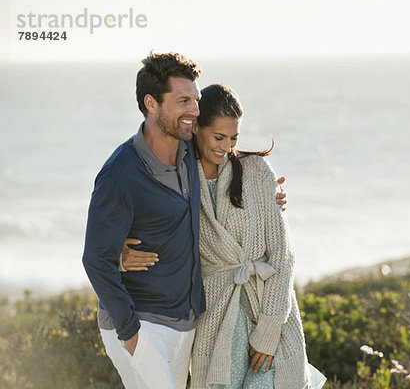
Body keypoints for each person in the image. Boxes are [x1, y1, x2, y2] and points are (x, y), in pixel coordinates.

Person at [83, 53, 286, 389]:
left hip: (187, 326)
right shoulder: (121, 173)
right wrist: (131, 334)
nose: (194, 109)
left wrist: (269, 195)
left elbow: (223, 151)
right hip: (143, 324)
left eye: (195, 100)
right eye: (183, 101)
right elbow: (94, 258)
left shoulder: (189, 152)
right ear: (151, 103)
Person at [122, 84, 325, 389]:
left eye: (234, 138)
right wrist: (119, 251)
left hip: (268, 312)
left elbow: (283, 256)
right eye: (219, 137)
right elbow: (158, 237)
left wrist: (269, 330)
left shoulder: (256, 172)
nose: (226, 147)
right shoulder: (178, 182)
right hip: (216, 321)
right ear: (196, 128)